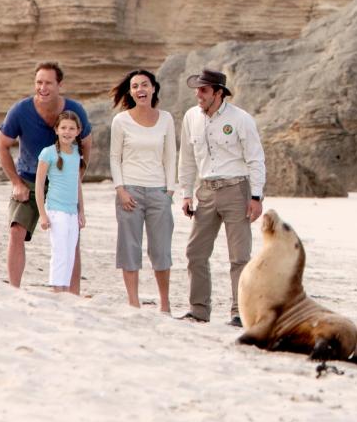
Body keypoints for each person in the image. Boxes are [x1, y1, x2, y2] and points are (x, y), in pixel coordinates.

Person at [178, 68, 266, 326]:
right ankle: (199, 310)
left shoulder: (241, 119)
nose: (198, 94)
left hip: (236, 189)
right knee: (195, 252)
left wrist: (256, 196)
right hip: (205, 190)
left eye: (204, 89)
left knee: (239, 256)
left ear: (219, 93)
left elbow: (255, 158)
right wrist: (185, 193)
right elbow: (187, 158)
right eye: (197, 89)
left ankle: (240, 313)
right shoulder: (191, 117)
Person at [0, 61, 92, 288]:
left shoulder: (75, 110)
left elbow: (87, 144)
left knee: (72, 238)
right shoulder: (20, 110)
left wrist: (77, 175)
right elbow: (1, 145)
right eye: (39, 82)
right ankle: (14, 289)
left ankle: (72, 294)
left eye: (48, 83)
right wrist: (16, 183)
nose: (43, 87)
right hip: (29, 178)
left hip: (63, 182)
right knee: (16, 230)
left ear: (60, 85)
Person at [110, 68, 176, 313]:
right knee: (130, 247)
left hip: (158, 191)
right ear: (130, 91)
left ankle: (165, 304)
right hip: (130, 192)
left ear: (154, 88)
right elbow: (115, 157)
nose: (140, 89)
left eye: (145, 85)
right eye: (135, 86)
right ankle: (133, 302)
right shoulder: (121, 120)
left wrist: (169, 193)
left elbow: (170, 157)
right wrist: (121, 190)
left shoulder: (166, 118)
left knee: (161, 250)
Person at [35, 110, 86, 292]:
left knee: (70, 253)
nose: (67, 132)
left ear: (78, 131)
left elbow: (77, 184)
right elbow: (39, 186)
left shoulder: (76, 153)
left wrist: (81, 211)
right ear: (56, 129)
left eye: (71, 128)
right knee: (60, 252)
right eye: (63, 127)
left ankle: (65, 288)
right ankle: (57, 289)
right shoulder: (47, 153)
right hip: (56, 210)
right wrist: (43, 214)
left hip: (72, 212)